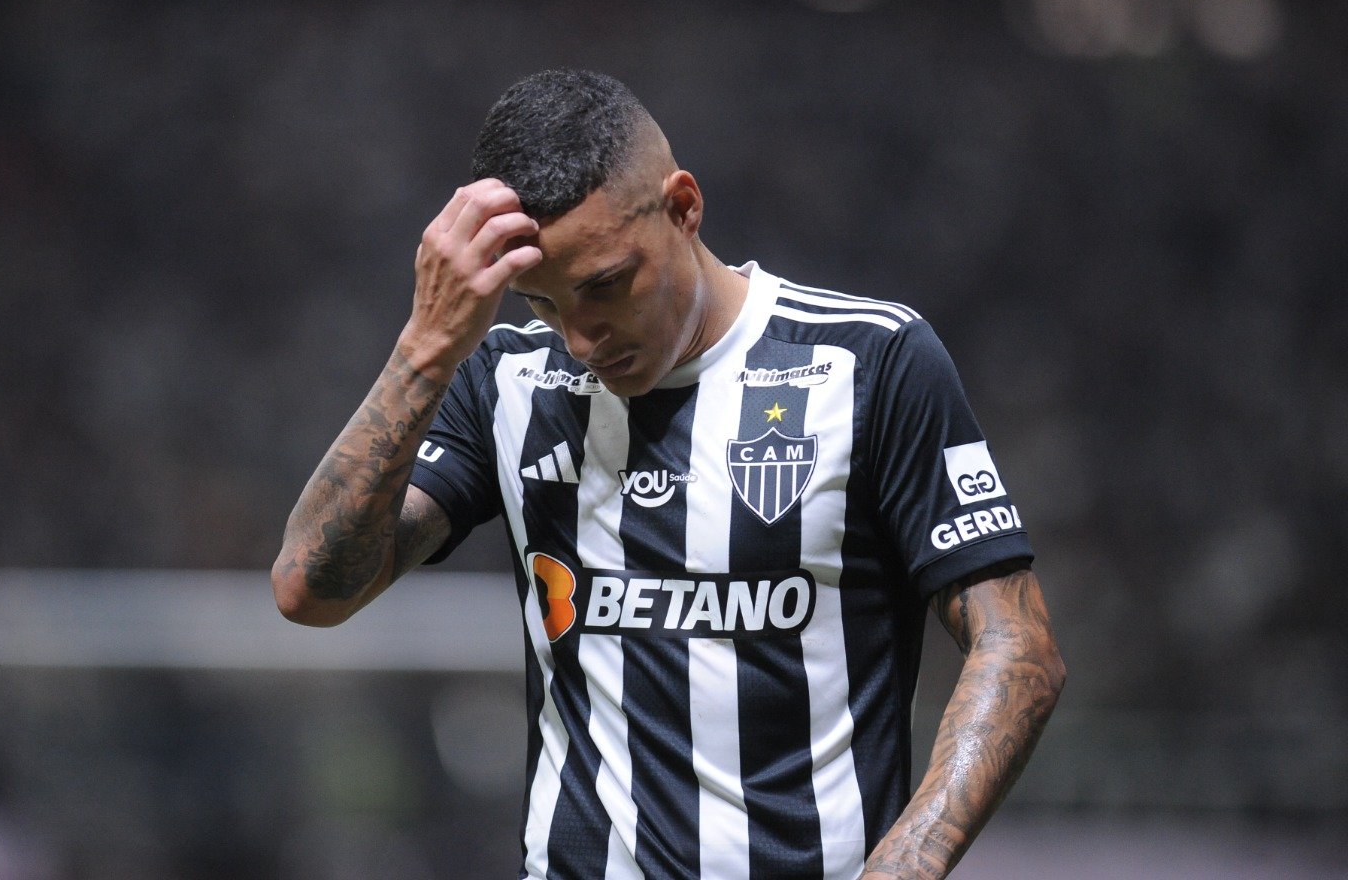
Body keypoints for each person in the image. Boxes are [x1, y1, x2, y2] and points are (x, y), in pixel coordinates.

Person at [272, 69, 1066, 879]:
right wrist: (426, 346)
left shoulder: (868, 362)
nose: (582, 339)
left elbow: (1017, 646)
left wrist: (904, 867)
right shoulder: (505, 382)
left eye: (606, 287)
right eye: (542, 304)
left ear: (684, 207)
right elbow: (313, 587)